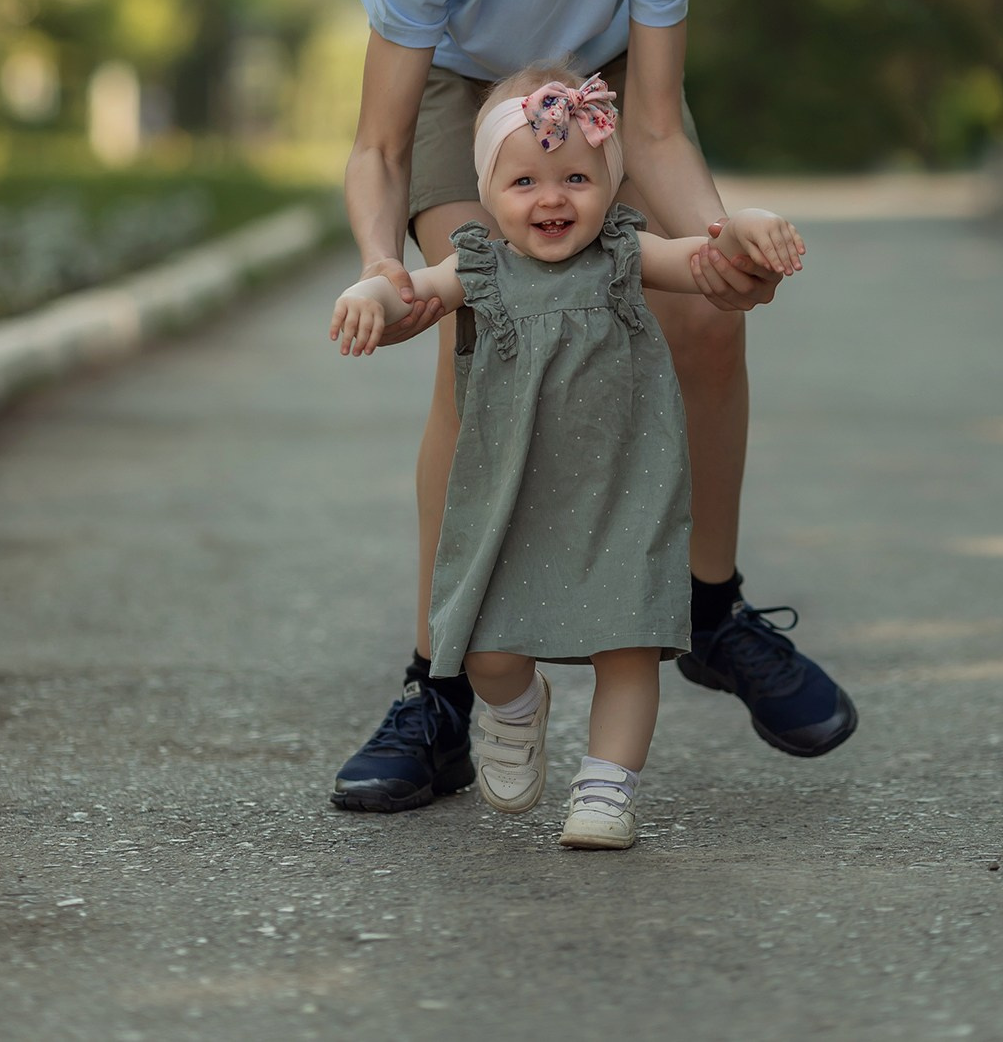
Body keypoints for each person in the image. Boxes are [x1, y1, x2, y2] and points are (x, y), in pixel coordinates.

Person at [330, 0, 857, 816]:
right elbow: (375, 143)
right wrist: (384, 263)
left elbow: (654, 121)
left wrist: (721, 248)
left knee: (705, 309)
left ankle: (708, 609)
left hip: (605, 88)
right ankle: (442, 692)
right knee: (484, 325)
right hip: (469, 92)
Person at [330, 67, 808, 848]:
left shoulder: (625, 253)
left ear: (611, 188)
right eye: (524, 180)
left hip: (627, 490)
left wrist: (746, 223)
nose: (551, 198)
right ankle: (515, 709)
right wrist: (369, 297)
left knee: (629, 648)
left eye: (577, 177)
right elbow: (410, 293)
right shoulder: (479, 265)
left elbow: (702, 257)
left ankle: (607, 788)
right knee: (486, 650)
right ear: (486, 192)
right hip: (513, 496)